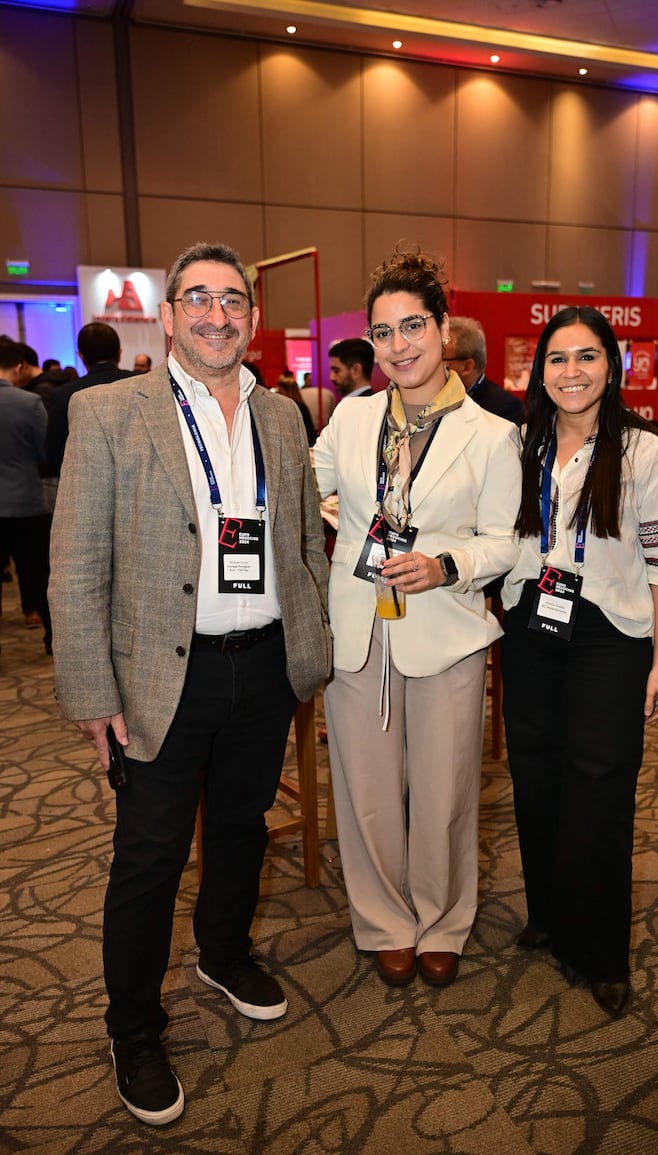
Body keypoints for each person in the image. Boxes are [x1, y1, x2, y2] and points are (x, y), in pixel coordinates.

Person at [48, 241, 331, 1126]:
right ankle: (133, 1026)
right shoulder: (107, 413)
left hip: (263, 666)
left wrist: (308, 647)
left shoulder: (283, 415)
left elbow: (301, 542)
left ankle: (222, 950)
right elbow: (74, 566)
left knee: (243, 826)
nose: (218, 314)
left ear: (252, 315)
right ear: (167, 315)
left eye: (234, 300)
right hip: (158, 681)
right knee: (150, 856)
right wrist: (93, 693)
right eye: (198, 299)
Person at [313, 246, 520, 990]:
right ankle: (383, 919)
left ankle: (442, 919)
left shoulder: (492, 433)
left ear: (442, 329)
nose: (398, 346)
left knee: (444, 790)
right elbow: (312, 484)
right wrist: (330, 507)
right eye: (383, 332)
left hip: (447, 628)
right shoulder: (352, 416)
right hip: (359, 627)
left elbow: (504, 540)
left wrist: (446, 565)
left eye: (412, 327)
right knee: (364, 789)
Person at [500, 305, 658, 1019]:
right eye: (556, 358)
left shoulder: (645, 451)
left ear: (611, 366)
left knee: (601, 786)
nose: (570, 371)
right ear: (538, 369)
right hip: (532, 624)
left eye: (586, 357)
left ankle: (603, 950)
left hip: (611, 636)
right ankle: (548, 912)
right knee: (536, 772)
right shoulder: (523, 443)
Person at [0, 341, 53, 655]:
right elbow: (44, 449)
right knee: (37, 571)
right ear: (19, 367)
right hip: (27, 501)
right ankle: (50, 638)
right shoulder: (29, 402)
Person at [46, 322, 135, 475]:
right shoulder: (143, 384)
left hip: (85, 478)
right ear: (119, 353)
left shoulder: (64, 394)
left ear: (81, 356)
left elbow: (55, 451)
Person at [443, 316, 523, 423]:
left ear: (467, 367)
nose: (431, 365)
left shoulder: (505, 410)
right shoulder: (429, 400)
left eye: (440, 358)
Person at [272, 371, 317, 445]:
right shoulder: (301, 406)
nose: (277, 395)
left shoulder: (290, 407)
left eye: (280, 392)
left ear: (286, 392)